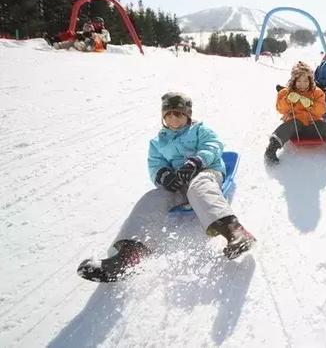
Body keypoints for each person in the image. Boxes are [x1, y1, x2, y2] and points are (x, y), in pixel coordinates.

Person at [77, 92, 256, 282]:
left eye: (178, 114)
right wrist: (164, 175)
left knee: (199, 186)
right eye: (168, 115)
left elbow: (214, 146)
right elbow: (154, 165)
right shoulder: (157, 143)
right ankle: (129, 257)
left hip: (206, 172)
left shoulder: (199, 130)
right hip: (179, 181)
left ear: (187, 115)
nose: (172, 118)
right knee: (151, 198)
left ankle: (235, 232)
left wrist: (196, 161)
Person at [265, 62, 326, 164]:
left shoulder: (317, 92)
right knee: (288, 126)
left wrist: (311, 105)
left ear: (310, 80)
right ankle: (272, 148)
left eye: (306, 81)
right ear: (293, 81)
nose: (302, 84)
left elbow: (322, 109)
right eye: (299, 81)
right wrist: (287, 100)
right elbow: (280, 109)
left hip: (314, 124)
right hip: (295, 128)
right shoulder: (285, 93)